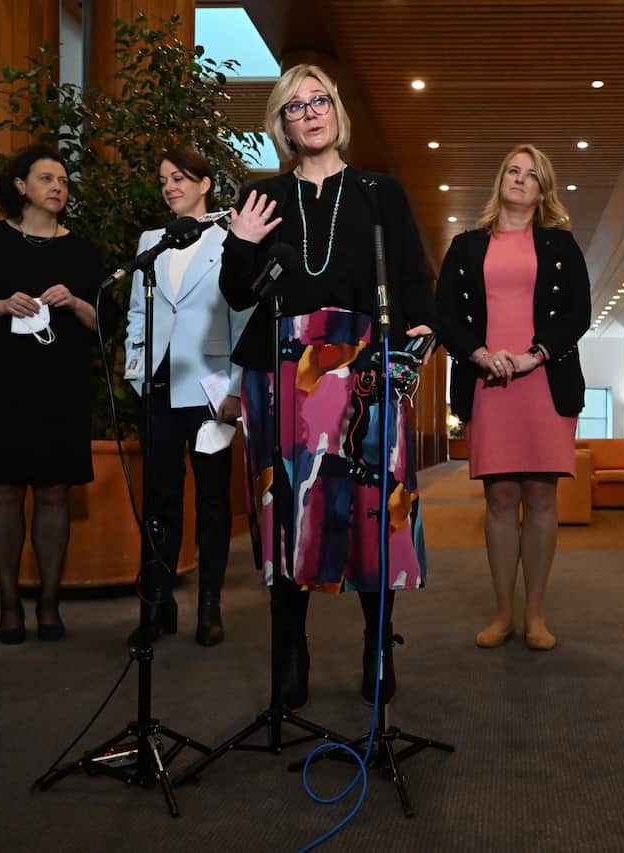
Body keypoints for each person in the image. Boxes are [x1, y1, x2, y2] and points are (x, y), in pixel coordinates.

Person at [219, 64, 435, 708]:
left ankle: (377, 649)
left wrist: (419, 341)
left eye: (319, 101)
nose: (310, 113)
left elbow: (411, 278)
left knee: (372, 507)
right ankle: (291, 653)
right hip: (281, 372)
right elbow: (237, 293)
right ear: (281, 124)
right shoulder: (262, 197)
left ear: (338, 111)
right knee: (287, 509)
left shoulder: (379, 191)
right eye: (294, 106)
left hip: (366, 367)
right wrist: (240, 242)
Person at [0, 143, 103, 644]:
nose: (58, 188)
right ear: (20, 186)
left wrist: (74, 300)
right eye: (47, 178)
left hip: (63, 388)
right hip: (0, 386)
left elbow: (105, 325)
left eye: (64, 182)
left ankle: (49, 605)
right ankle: (10, 604)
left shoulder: (83, 251)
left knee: (55, 493)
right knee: (4, 491)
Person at [435, 144, 590, 651]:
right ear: (501, 179)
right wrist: (479, 353)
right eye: (513, 171)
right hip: (487, 382)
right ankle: (503, 613)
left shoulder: (561, 246)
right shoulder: (465, 246)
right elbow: (446, 317)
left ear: (543, 190)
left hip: (544, 381)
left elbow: (577, 314)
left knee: (542, 496)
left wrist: (534, 354)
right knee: (499, 498)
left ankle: (536, 615)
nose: (520, 180)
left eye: (532, 175)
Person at [123, 147, 253, 647]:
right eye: (163, 180)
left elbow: (241, 321)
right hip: (157, 388)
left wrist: (237, 391)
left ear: (204, 184)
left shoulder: (229, 243)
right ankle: (156, 605)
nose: (170, 187)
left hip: (210, 393)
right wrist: (137, 370)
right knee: (160, 499)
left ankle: (209, 607)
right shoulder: (151, 242)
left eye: (180, 178)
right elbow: (139, 312)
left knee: (214, 500)